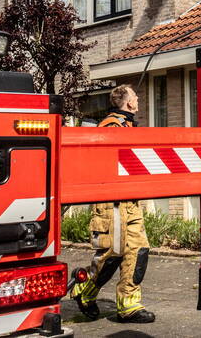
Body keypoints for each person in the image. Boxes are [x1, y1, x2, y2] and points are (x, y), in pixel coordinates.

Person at [68, 84, 155, 324]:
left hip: (130, 202)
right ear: (128, 102)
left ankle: (129, 305)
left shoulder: (127, 125)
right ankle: (84, 291)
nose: (138, 100)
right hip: (111, 203)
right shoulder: (110, 125)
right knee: (112, 254)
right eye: (135, 97)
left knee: (138, 251)